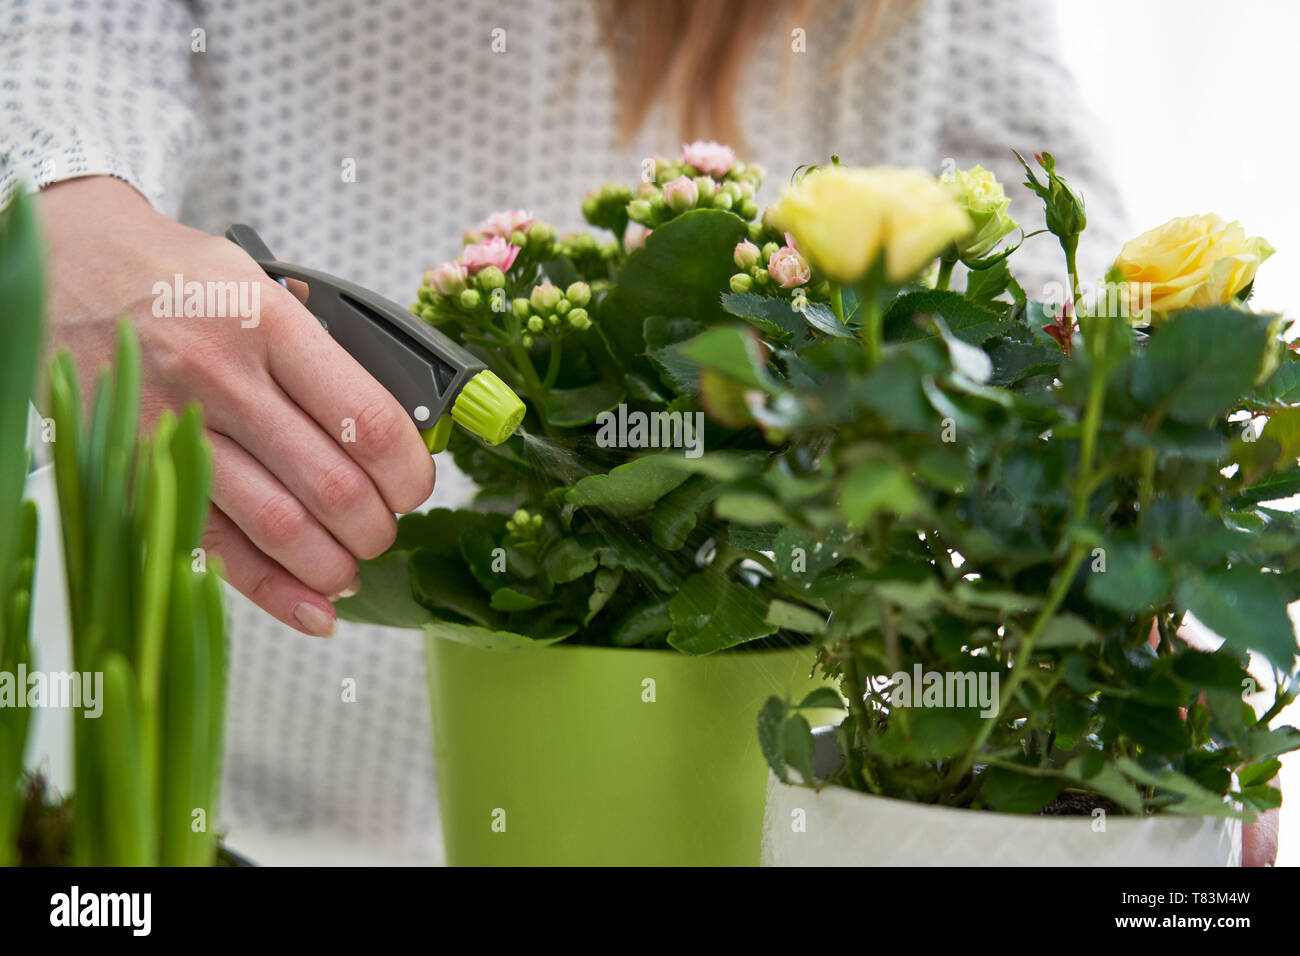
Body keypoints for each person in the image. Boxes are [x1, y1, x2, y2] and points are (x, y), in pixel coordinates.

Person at [7, 0, 1268, 865]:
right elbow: (68, 36)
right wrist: (62, 207)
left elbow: (1043, 221)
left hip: (779, 814)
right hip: (272, 794)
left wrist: (1124, 582)